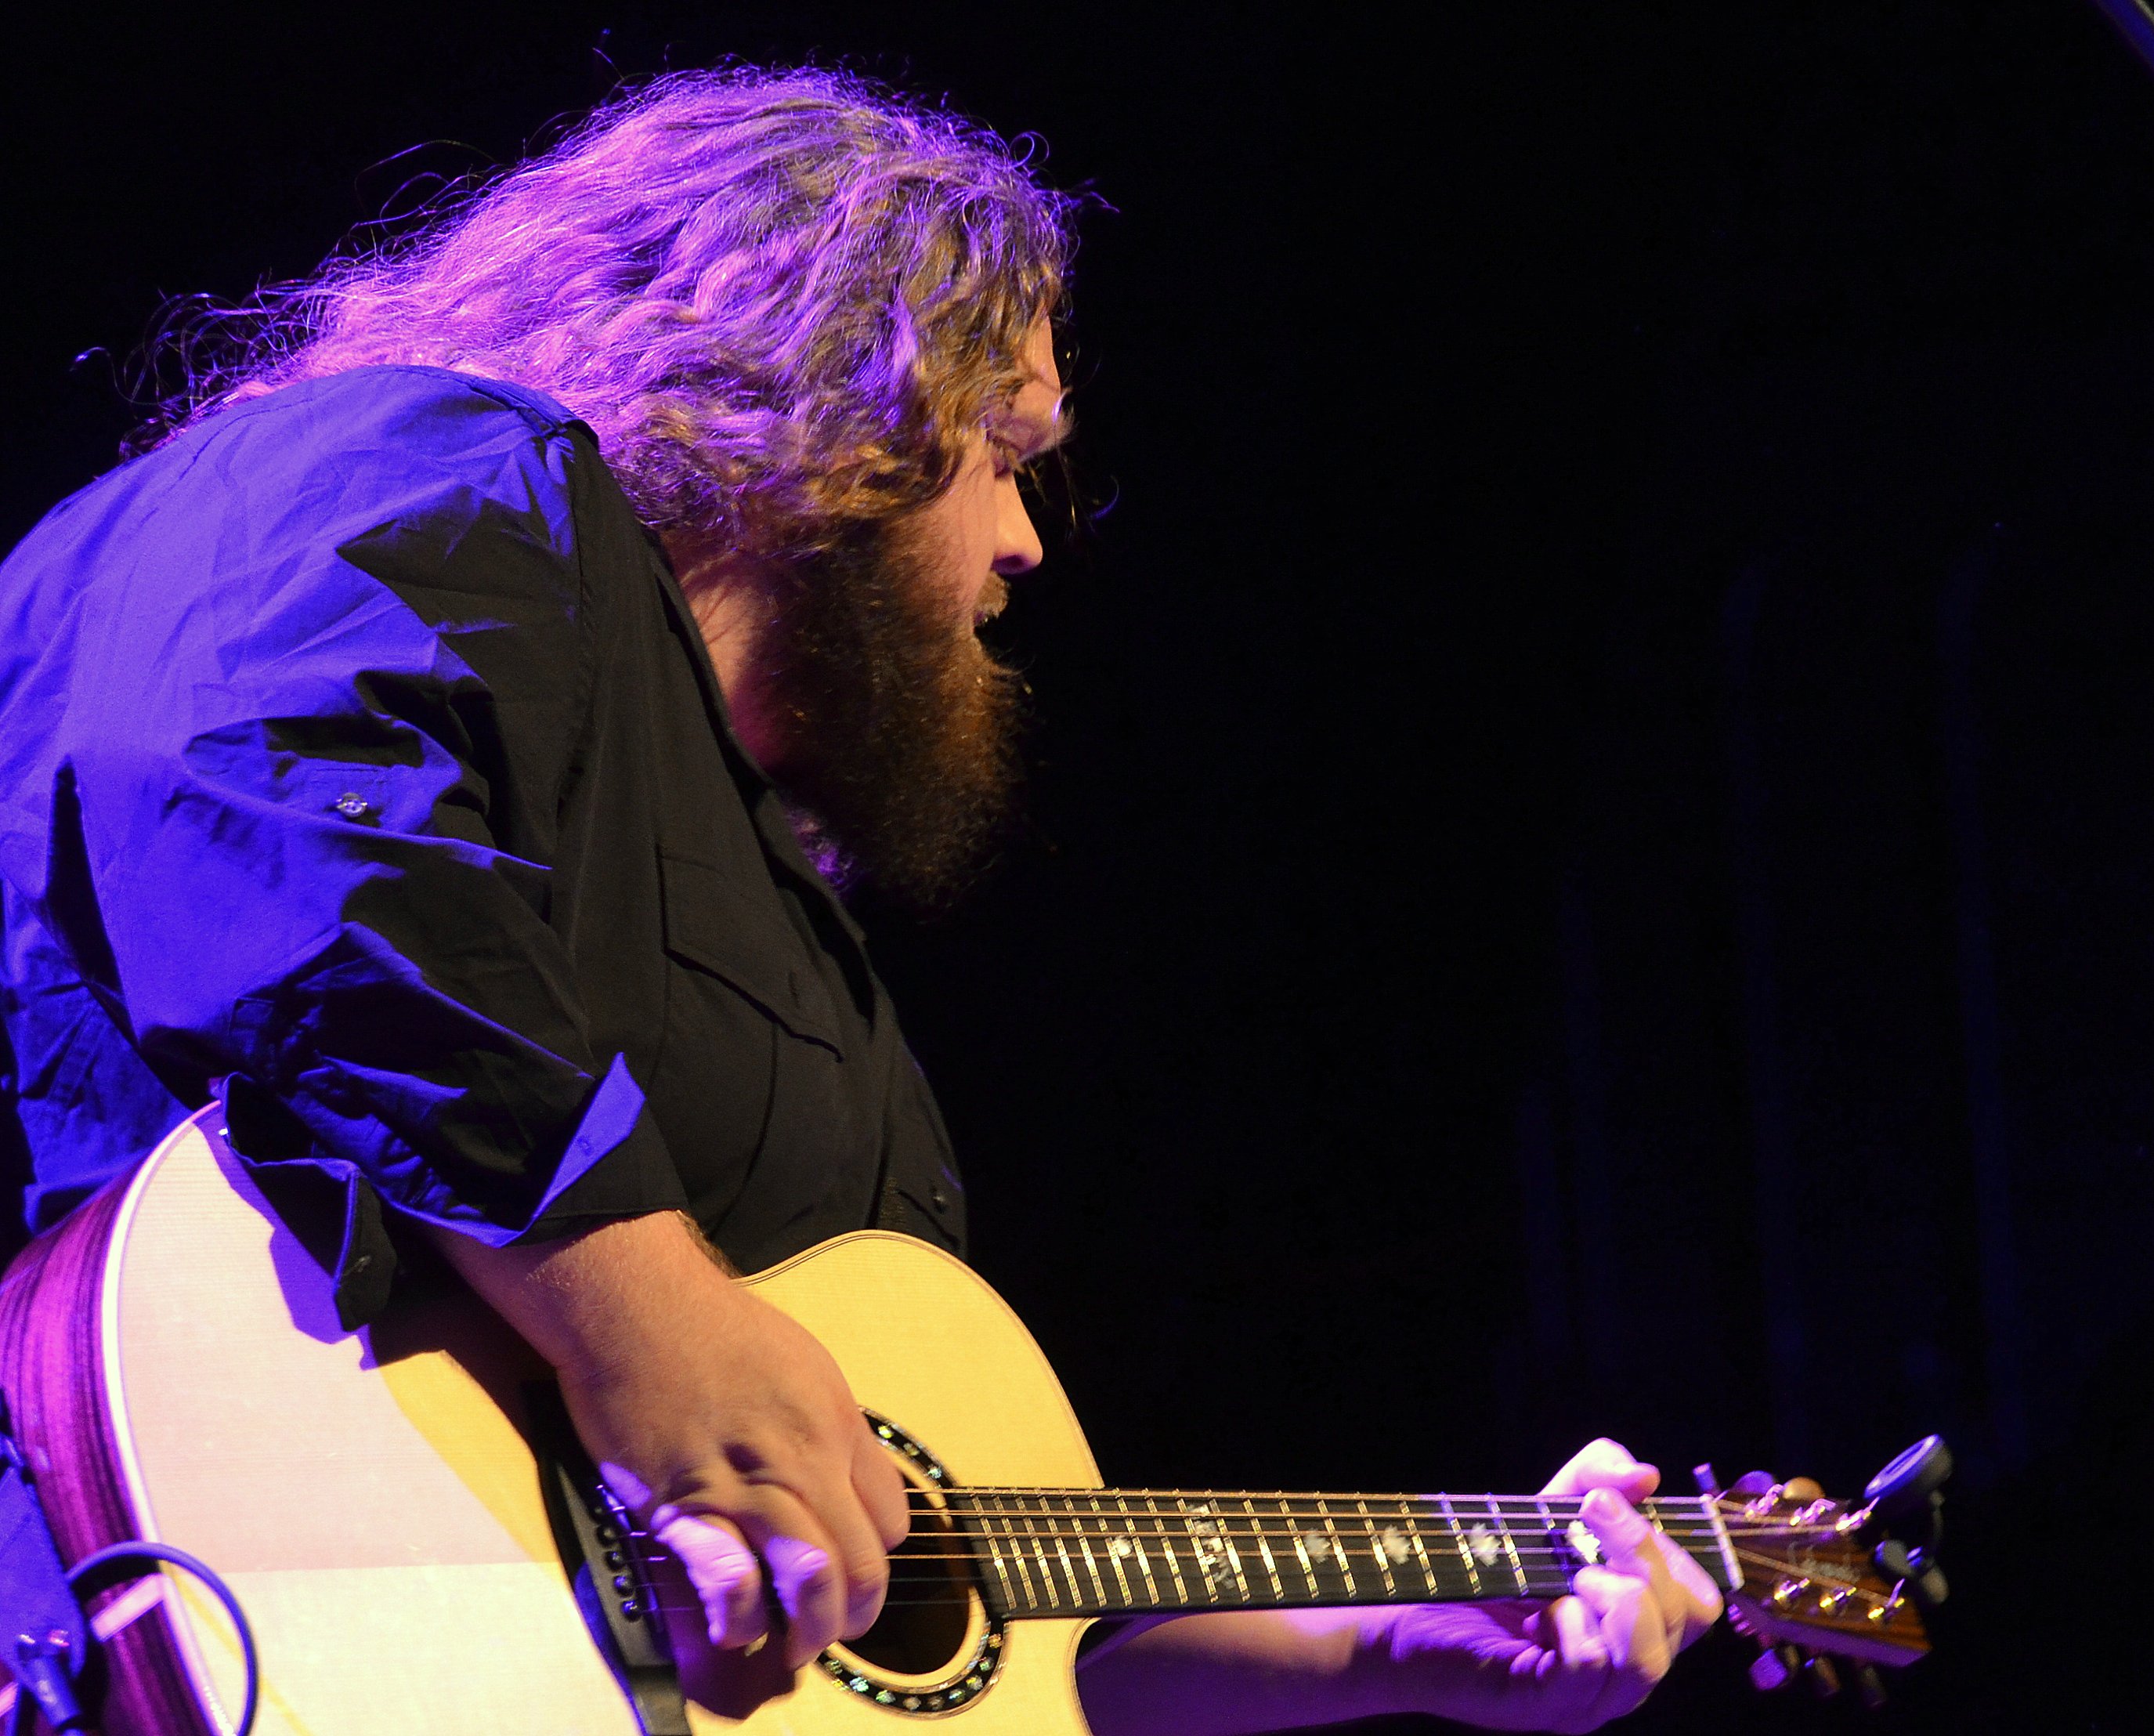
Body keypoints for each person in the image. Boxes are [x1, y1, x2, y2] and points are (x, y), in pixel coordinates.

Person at [0, 67, 1720, 1732]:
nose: (1031, 542)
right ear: (849, 396)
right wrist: (644, 1312)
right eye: (1004, 443)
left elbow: (952, 1645)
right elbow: (249, 797)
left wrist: (1415, 1644)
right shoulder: (422, 456)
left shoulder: (791, 950)